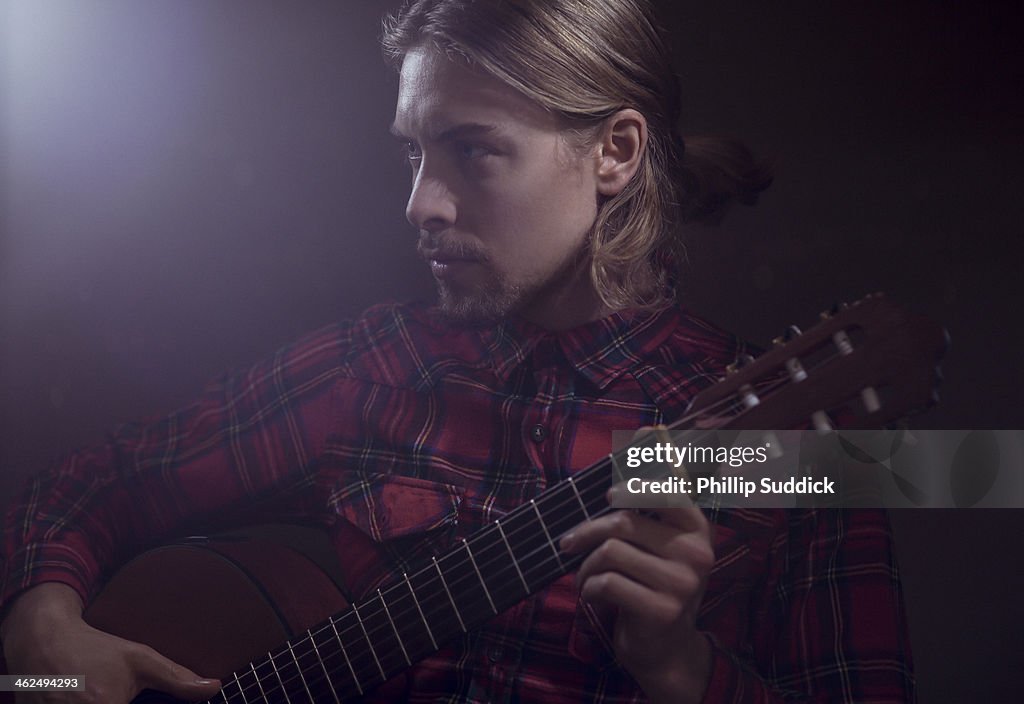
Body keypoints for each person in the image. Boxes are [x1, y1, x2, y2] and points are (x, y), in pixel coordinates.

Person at [0, 0, 914, 702]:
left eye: (473, 153)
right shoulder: (371, 367)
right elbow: (86, 487)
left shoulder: (790, 448)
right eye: (412, 155)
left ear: (616, 153)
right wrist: (41, 638)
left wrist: (685, 671)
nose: (421, 205)